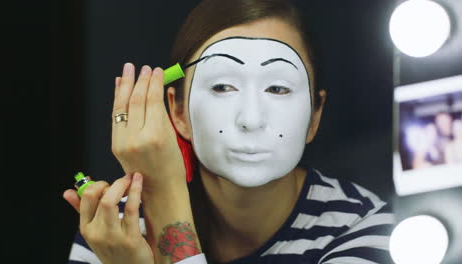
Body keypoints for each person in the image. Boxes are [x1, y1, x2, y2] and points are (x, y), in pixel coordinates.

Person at [64, 0, 395, 263]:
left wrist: (164, 194)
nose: (250, 119)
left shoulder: (366, 228)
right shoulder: (117, 228)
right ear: (177, 111)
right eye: (222, 86)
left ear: (315, 115)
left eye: (278, 89)